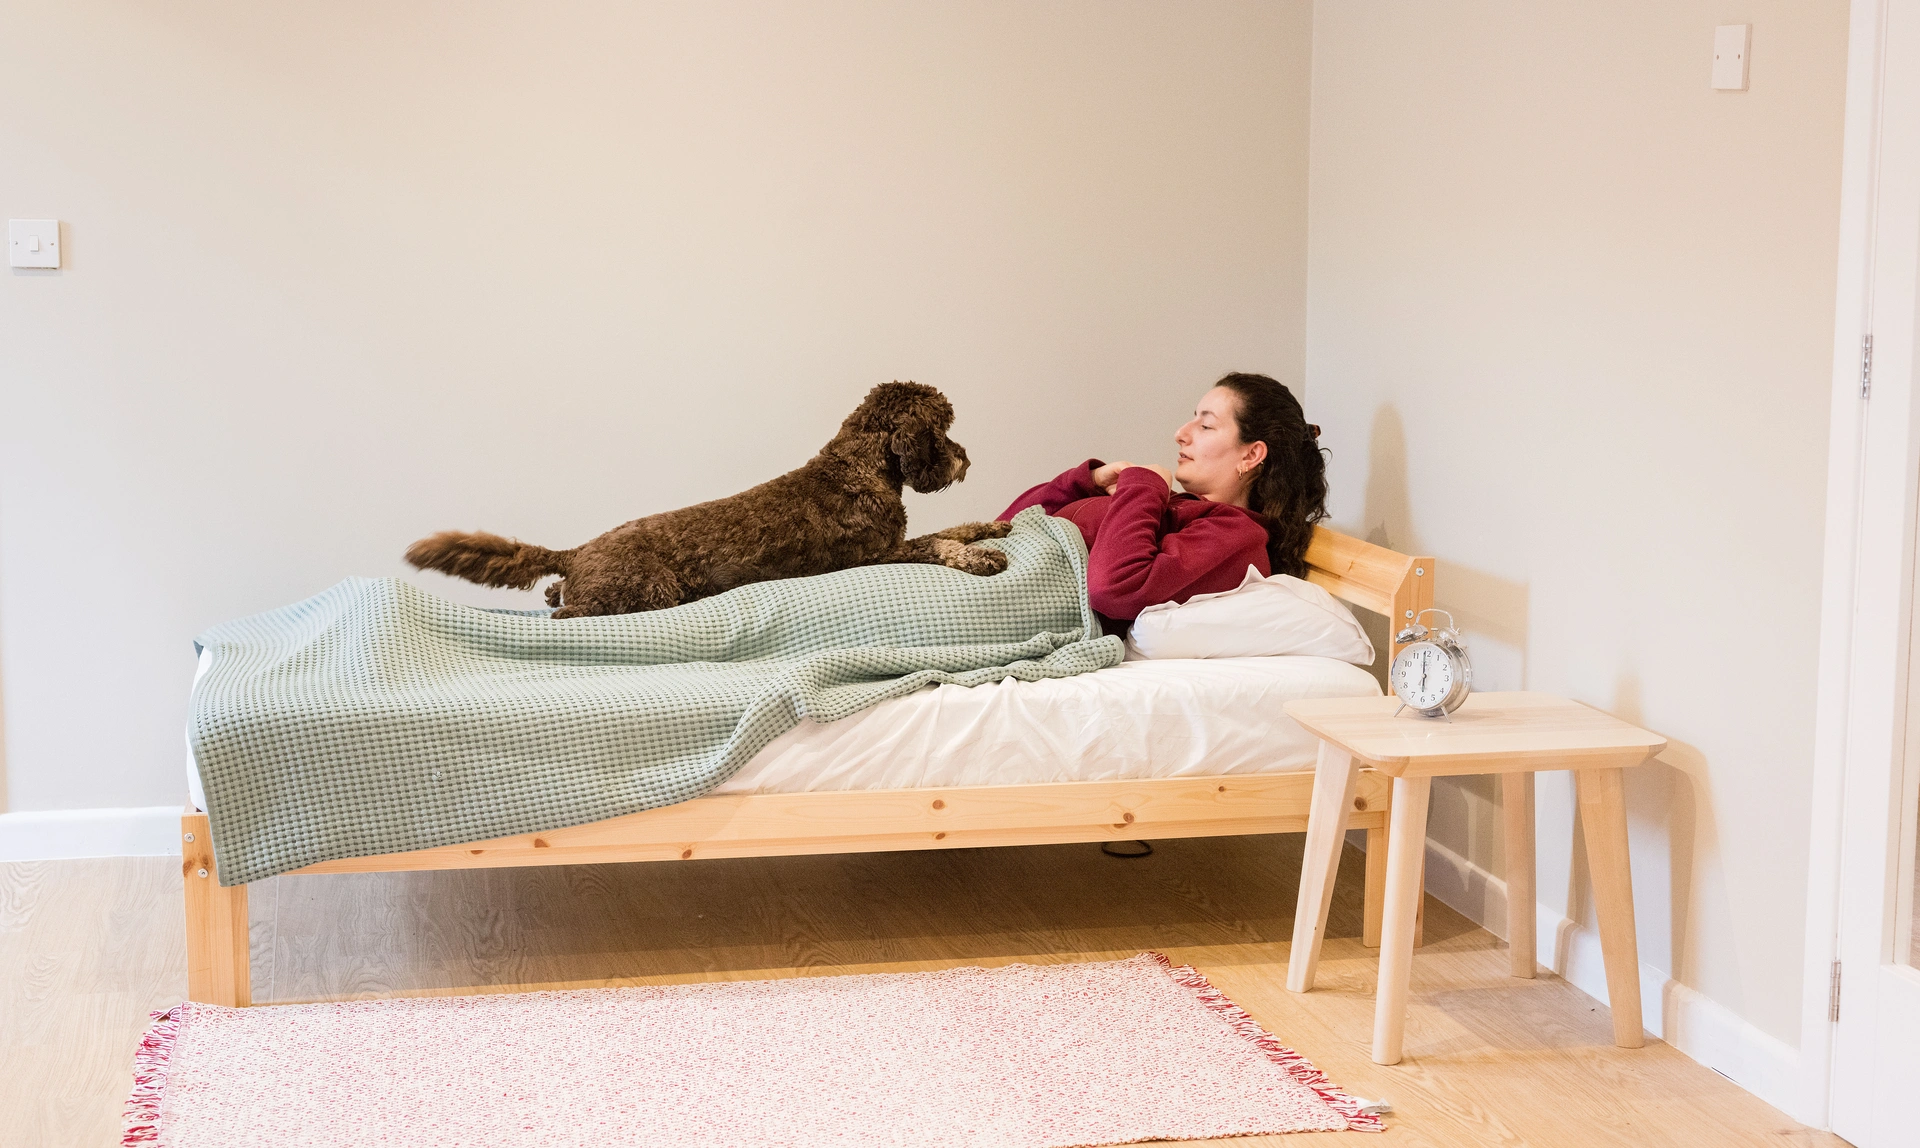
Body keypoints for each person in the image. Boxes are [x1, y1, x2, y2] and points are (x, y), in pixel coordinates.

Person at [997, 372, 1328, 630]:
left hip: (1007, 606)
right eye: (1192, 418)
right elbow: (1003, 529)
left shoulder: (1236, 535)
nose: (1181, 432)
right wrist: (1088, 481)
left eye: (1206, 425)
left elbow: (1113, 589)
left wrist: (1144, 486)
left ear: (1251, 454)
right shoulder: (1171, 506)